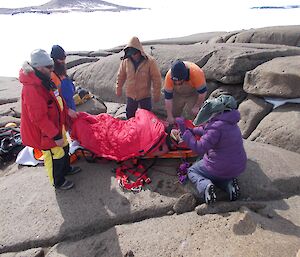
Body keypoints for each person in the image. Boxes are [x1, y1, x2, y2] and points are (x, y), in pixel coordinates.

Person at [19, 49, 81, 190]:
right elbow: (39, 118)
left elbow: (57, 100)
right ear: (39, 67)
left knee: (64, 146)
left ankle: (66, 170)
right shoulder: (32, 89)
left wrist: (67, 111)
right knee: (55, 155)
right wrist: (55, 135)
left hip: (56, 125)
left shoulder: (44, 79)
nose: (52, 69)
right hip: (45, 132)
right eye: (49, 67)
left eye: (52, 65)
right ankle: (58, 182)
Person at [177, 95, 247, 204]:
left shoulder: (215, 127)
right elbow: (207, 130)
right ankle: (228, 184)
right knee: (220, 174)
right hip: (237, 167)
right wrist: (193, 130)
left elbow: (200, 148)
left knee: (192, 171)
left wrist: (186, 135)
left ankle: (206, 186)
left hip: (220, 166)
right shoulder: (231, 123)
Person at [116, 36, 162, 119]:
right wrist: (118, 88)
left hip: (145, 96)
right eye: (131, 54)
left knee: (147, 118)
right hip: (131, 96)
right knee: (130, 117)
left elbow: (156, 79)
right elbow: (121, 75)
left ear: (139, 51)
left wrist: (156, 94)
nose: (133, 55)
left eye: (135, 53)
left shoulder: (150, 61)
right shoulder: (125, 61)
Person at [164, 60, 207, 125]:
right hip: (177, 94)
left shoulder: (196, 73)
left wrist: (197, 106)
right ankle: (174, 128)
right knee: (173, 113)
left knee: (195, 114)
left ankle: (195, 128)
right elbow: (168, 98)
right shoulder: (169, 76)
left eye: (180, 82)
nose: (178, 84)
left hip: (193, 93)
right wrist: (169, 116)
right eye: (175, 82)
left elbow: (202, 92)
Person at [50, 45, 77, 111]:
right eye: (60, 59)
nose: (63, 61)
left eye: (64, 58)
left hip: (72, 108)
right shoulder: (52, 76)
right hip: (62, 112)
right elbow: (54, 99)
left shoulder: (64, 73)